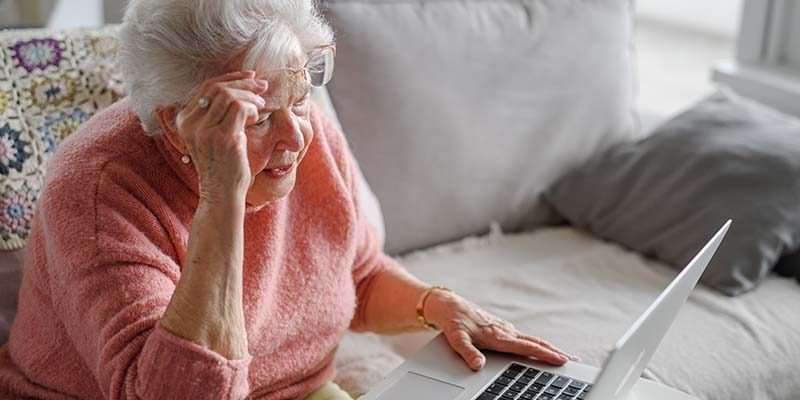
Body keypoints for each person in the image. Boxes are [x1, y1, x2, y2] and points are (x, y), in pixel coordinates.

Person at [0, 1, 573, 398]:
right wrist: (223, 197)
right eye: (256, 116)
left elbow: (359, 276)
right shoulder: (97, 188)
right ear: (178, 128)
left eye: (300, 95)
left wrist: (436, 306)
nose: (296, 137)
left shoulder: (308, 132)